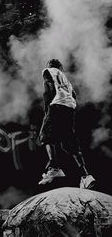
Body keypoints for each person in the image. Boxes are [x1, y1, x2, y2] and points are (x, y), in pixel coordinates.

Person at [38, 59, 96, 189]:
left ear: (50, 66)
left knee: (45, 136)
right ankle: (86, 176)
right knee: (69, 142)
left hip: (57, 106)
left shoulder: (48, 71)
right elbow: (74, 95)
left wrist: (48, 110)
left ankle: (54, 167)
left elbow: (48, 91)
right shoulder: (66, 81)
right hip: (69, 108)